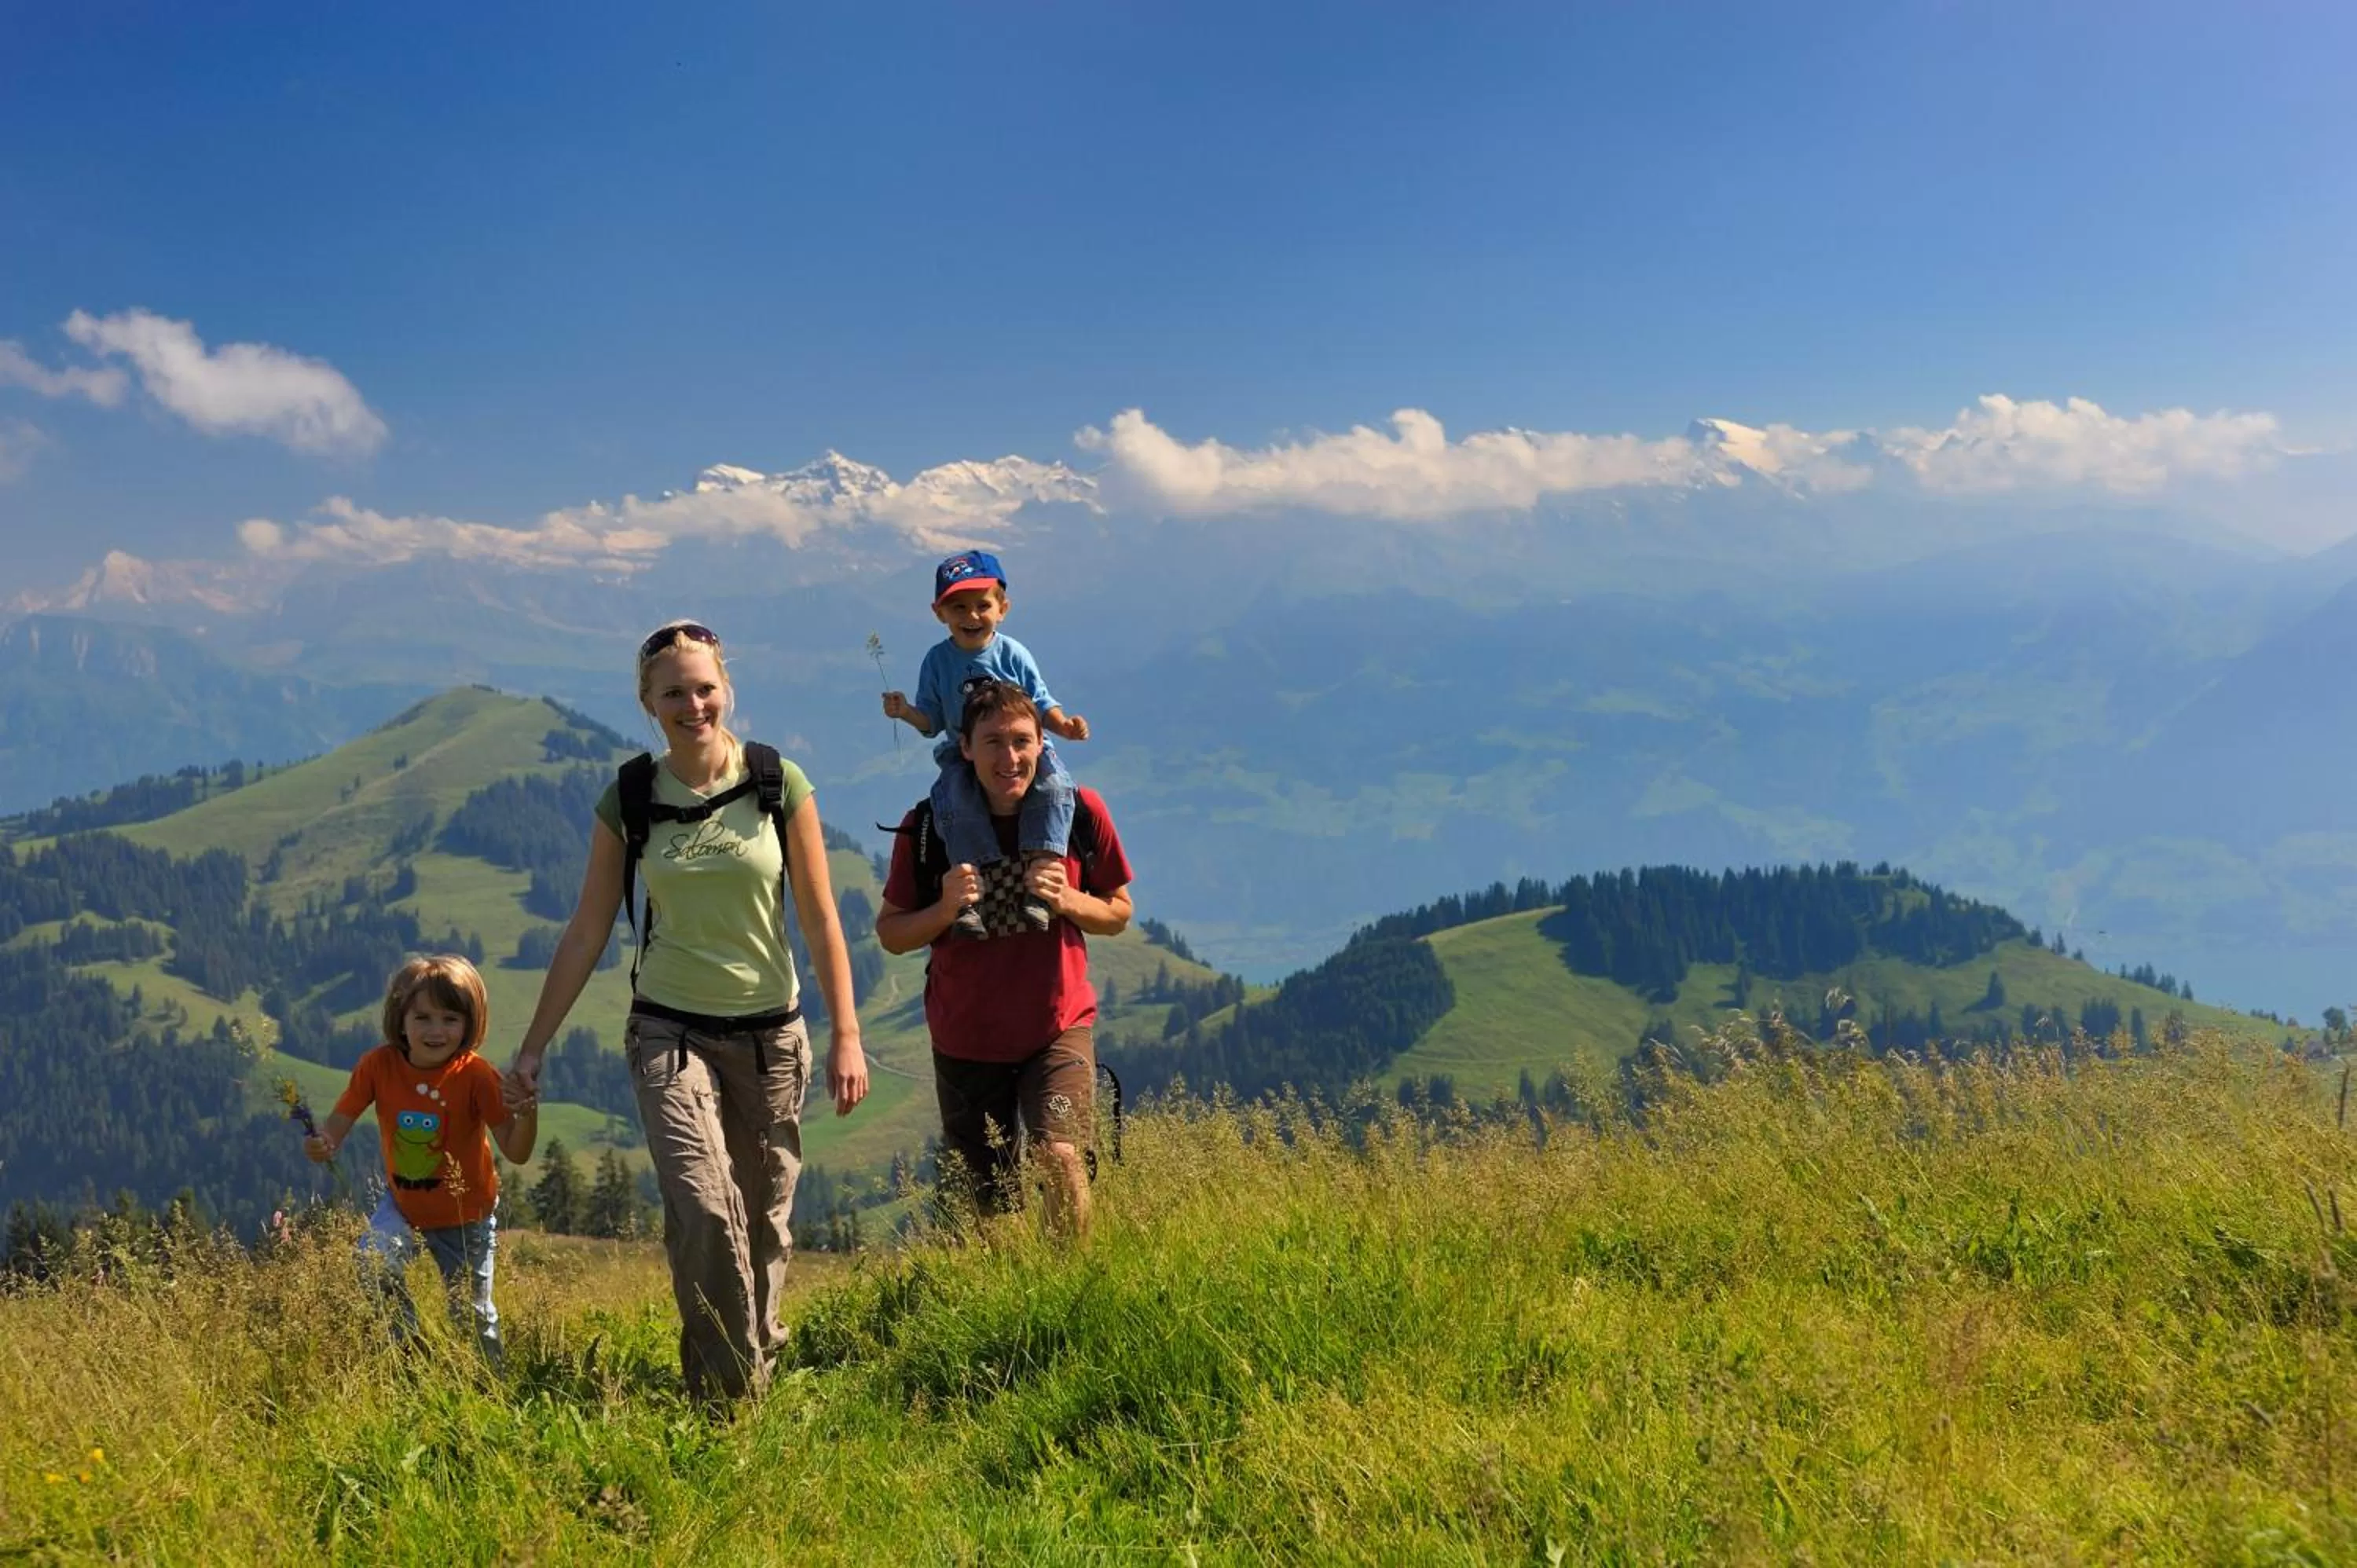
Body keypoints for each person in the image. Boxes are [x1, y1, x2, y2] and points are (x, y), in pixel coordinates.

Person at [505, 619, 870, 1403]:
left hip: (771, 1035)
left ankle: (754, 1357)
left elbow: (820, 919)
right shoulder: (631, 797)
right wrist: (533, 1046)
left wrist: (847, 1032)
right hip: (668, 1031)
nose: (693, 705)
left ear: (726, 689)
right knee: (705, 1206)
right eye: (674, 693)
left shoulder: (777, 782)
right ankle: (727, 1398)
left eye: (705, 689)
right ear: (648, 702)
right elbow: (587, 929)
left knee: (763, 1218)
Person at [874, 679, 1133, 1238]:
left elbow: (1118, 913)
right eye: (992, 742)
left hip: (1058, 1027)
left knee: (1061, 1155)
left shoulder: (1080, 812)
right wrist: (946, 909)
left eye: (1021, 741)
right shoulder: (928, 827)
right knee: (986, 1202)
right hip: (967, 1039)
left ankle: (1071, 1286)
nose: (1009, 757)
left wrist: (1067, 899)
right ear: (964, 748)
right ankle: (1010, 1285)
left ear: (1042, 743)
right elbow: (892, 933)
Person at [306, 954, 536, 1362]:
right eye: (423, 1017)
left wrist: (529, 1114)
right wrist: (322, 1143)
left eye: (450, 1019)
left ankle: (490, 1384)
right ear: (401, 1019)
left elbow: (517, 1152)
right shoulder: (378, 1066)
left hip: (467, 1217)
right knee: (373, 1262)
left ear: (470, 1024)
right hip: (404, 1204)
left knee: (472, 1316)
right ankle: (409, 1354)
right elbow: (337, 1126)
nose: (436, 1031)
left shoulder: (476, 1076)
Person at [880, 549, 1091, 938]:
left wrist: (1064, 726)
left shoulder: (1013, 654)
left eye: (982, 605)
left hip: (1024, 748)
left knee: (1055, 788)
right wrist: (905, 711)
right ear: (939, 613)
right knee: (955, 802)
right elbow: (932, 722)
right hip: (963, 754)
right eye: (958, 607)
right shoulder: (937, 661)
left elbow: (1041, 702)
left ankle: (1042, 879)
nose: (972, 616)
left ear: (1003, 609)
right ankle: (969, 893)